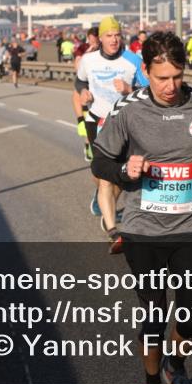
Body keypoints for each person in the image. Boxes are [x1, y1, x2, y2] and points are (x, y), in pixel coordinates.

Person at [91, 31, 192, 384]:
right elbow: (100, 160)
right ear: (145, 71)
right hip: (142, 229)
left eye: (177, 76)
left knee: (191, 317)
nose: (170, 85)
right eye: (162, 78)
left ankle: (175, 368)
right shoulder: (129, 109)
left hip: (191, 225)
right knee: (154, 315)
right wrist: (124, 172)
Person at [75, 16, 149, 254]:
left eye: (117, 35)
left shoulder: (133, 61)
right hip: (97, 120)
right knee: (103, 175)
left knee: (119, 175)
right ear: (101, 38)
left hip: (125, 123)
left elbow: (149, 91)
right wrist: (84, 92)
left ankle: (109, 219)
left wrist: (130, 90)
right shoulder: (89, 60)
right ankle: (111, 225)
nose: (114, 39)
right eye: (109, 35)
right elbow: (79, 82)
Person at [73, 27, 101, 161]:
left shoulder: (104, 48)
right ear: (89, 37)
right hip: (85, 86)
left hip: (99, 87)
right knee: (87, 121)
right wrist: (89, 52)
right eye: (93, 37)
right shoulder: (82, 47)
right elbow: (77, 67)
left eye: (97, 36)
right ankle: (88, 144)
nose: (95, 39)